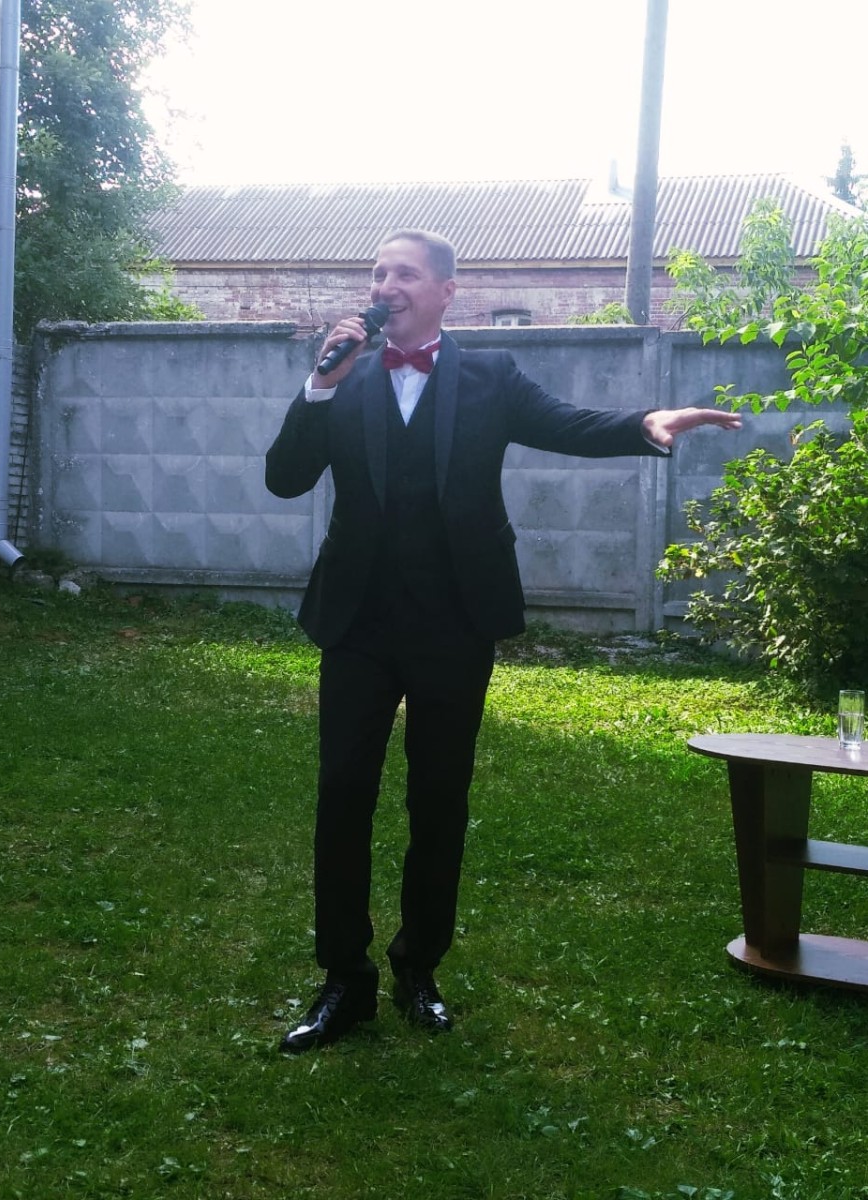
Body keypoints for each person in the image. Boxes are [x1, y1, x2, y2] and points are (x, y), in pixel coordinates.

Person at [265, 229, 741, 1054]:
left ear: (446, 291)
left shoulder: (491, 376)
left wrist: (646, 422)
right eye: (377, 273)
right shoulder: (343, 376)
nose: (385, 285)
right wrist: (318, 386)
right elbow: (284, 478)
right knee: (342, 794)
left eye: (404, 273)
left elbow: (569, 424)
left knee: (439, 798)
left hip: (455, 620)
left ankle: (418, 968)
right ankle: (344, 978)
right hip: (358, 622)